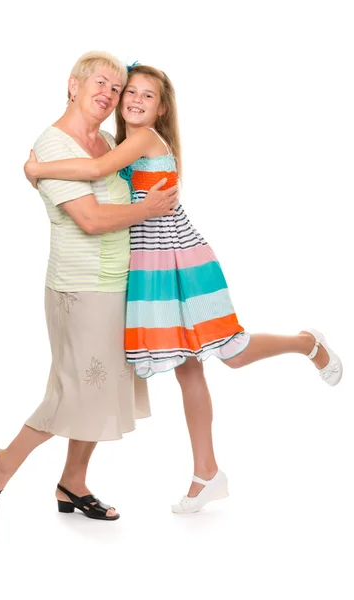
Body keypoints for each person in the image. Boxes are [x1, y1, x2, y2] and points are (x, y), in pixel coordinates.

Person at [25, 63, 343, 514]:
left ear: (162, 107)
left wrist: (36, 166)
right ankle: (206, 472)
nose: (133, 99)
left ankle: (307, 343)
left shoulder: (144, 140)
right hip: (151, 267)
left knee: (231, 353)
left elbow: (96, 168)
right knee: (188, 367)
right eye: (128, 91)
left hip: (180, 261)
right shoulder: (123, 142)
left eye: (146, 95)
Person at [0, 53, 178, 523]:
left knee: (97, 392)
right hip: (78, 289)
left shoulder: (105, 140)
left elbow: (128, 183)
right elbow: (90, 219)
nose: (108, 94)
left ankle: (73, 483)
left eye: (115, 87)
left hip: (117, 286)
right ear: (73, 85)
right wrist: (149, 210)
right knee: (69, 393)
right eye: (100, 83)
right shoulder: (53, 144)